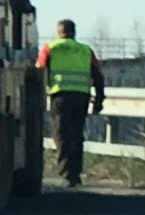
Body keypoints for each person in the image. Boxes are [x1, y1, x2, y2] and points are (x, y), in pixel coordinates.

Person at [36, 19, 105, 187]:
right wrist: (99, 99)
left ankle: (66, 172)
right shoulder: (85, 50)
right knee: (76, 134)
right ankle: (75, 173)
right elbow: (98, 76)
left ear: (58, 32)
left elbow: (38, 70)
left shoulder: (50, 48)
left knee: (61, 134)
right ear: (74, 32)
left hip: (60, 95)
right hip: (81, 96)